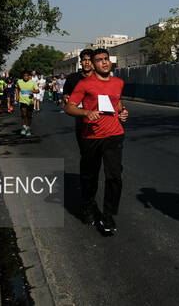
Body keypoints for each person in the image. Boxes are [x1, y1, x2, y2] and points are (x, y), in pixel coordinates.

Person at [65, 49, 128, 235]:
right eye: (99, 60)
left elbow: (117, 102)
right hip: (91, 137)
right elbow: (70, 107)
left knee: (114, 176)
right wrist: (86, 113)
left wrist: (123, 112)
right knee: (89, 176)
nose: (104, 62)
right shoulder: (85, 84)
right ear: (93, 64)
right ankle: (87, 206)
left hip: (114, 135)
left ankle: (108, 215)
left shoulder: (118, 82)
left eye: (106, 59)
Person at [62, 49, 95, 153]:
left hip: (98, 119)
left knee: (96, 152)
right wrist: (66, 98)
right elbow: (66, 95)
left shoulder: (99, 77)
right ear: (80, 62)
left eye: (89, 60)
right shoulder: (72, 78)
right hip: (81, 118)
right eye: (84, 60)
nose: (87, 62)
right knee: (84, 151)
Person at [17, 70, 39, 136]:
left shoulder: (33, 83)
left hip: (30, 101)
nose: (26, 77)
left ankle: (28, 128)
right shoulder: (19, 82)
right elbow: (16, 88)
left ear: (29, 76)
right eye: (24, 76)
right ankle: (24, 127)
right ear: (22, 76)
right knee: (24, 114)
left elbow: (38, 90)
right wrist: (17, 96)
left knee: (29, 116)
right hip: (22, 100)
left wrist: (33, 91)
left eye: (27, 76)